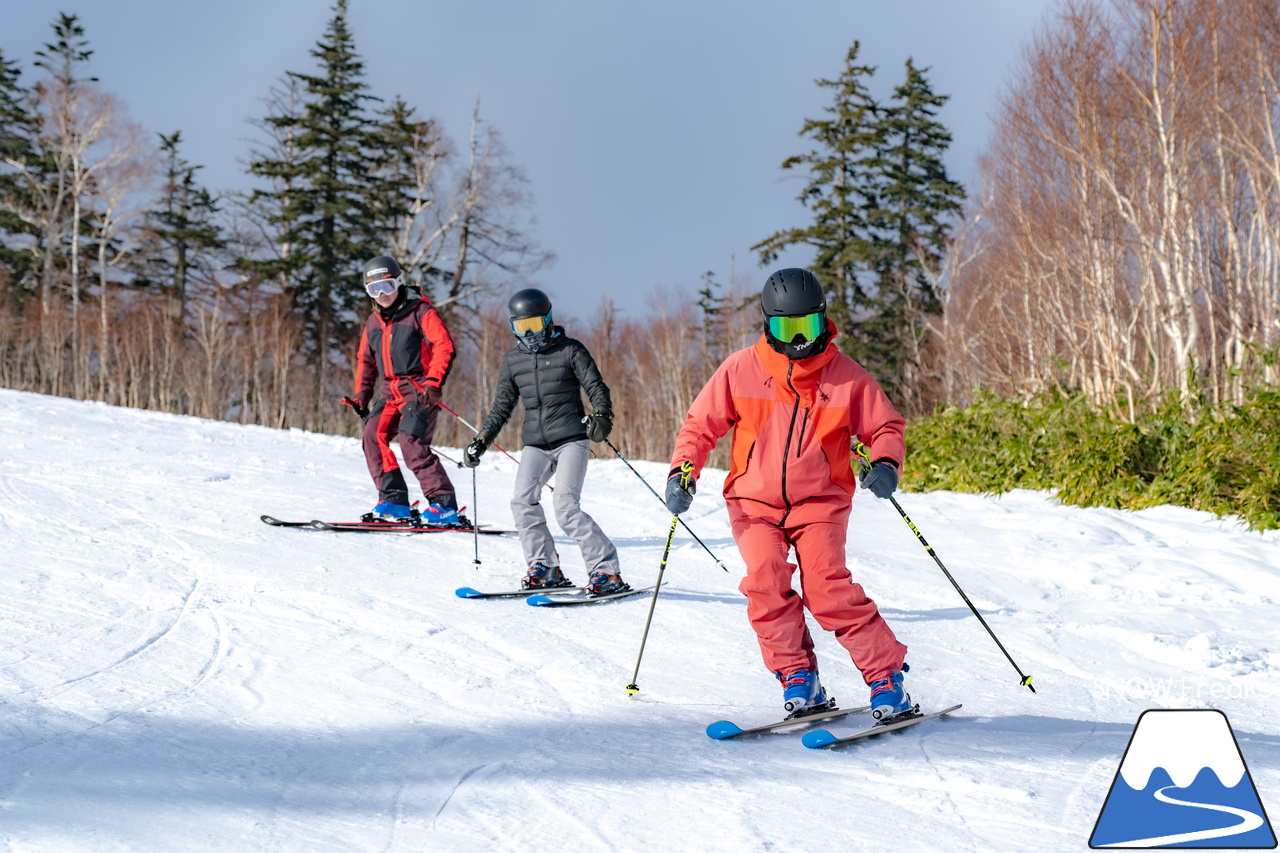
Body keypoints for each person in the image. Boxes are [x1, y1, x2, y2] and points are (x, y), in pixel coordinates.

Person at [664, 268, 914, 721]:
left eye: (808, 327)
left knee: (827, 591)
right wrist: (683, 472)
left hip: (820, 502)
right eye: (787, 329)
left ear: (823, 320)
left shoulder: (846, 378)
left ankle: (886, 678)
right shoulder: (740, 370)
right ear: (768, 326)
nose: (799, 340)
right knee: (765, 581)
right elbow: (700, 425)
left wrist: (885, 463)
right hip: (752, 502)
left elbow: (885, 427)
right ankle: (798, 675)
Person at [462, 288, 624, 596]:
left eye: (534, 325)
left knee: (565, 506)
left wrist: (602, 416)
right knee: (521, 501)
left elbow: (595, 387)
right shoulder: (513, 361)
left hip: (572, 440)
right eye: (520, 328)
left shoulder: (570, 350)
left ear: (548, 321)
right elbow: (502, 406)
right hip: (535, 444)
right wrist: (481, 440)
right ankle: (545, 567)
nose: (528, 334)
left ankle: (606, 571)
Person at [344, 255, 460, 524]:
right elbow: (366, 360)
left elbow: (444, 346)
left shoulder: (421, 312)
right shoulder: (373, 322)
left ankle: (444, 505)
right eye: (375, 289)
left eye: (387, 286)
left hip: (417, 389)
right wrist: (362, 395)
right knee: (372, 437)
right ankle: (393, 501)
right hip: (389, 392)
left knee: (412, 443)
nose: (382, 294)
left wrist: (433, 383)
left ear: (398, 283)